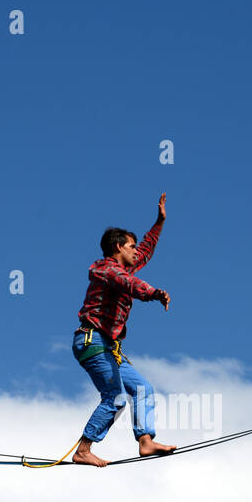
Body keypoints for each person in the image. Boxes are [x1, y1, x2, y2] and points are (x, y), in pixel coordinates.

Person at [71, 193, 177, 467]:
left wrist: (159, 222)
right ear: (118, 247)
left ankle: (146, 441)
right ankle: (83, 449)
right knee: (116, 397)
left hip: (109, 347)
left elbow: (146, 251)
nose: (135, 250)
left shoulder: (124, 266)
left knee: (142, 388)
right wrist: (153, 293)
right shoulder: (107, 270)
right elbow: (128, 284)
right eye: (130, 246)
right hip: (92, 342)